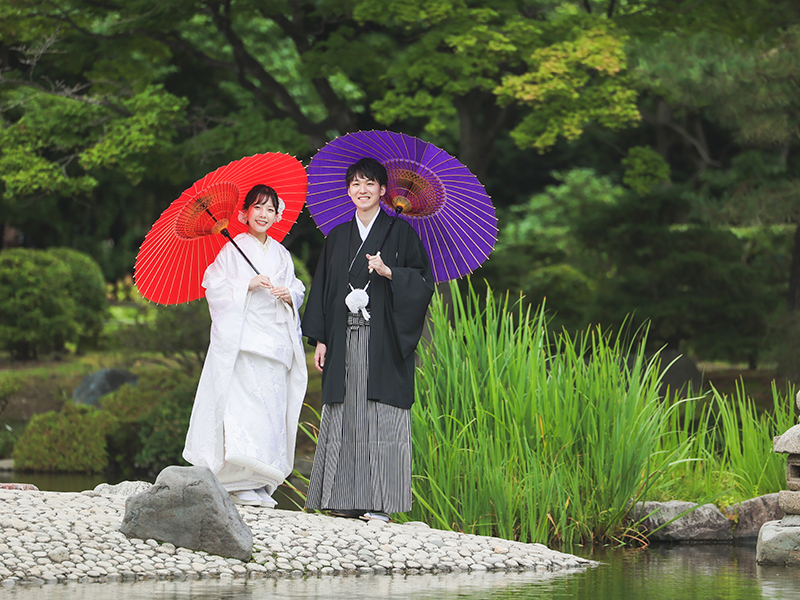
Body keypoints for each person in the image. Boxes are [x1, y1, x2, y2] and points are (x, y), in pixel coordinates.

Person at [302, 157, 434, 521]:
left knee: (382, 415)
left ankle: (380, 504)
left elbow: (423, 282)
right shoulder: (337, 237)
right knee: (347, 414)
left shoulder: (401, 233)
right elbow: (324, 289)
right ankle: (345, 498)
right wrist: (322, 339)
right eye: (356, 184)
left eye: (370, 183)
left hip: (383, 339)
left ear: (382, 190)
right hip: (343, 336)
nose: (362, 190)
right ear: (349, 191)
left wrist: (389, 272)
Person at [183, 184, 308, 507]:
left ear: (277, 216)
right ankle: (238, 480)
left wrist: (289, 295)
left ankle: (258, 480)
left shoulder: (282, 254)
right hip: (244, 343)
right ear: (244, 214)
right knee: (245, 411)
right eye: (258, 207)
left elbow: (297, 287)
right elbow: (213, 286)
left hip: (275, 344)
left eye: (270, 209)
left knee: (270, 412)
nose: (264, 214)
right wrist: (246, 284)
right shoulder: (231, 250)